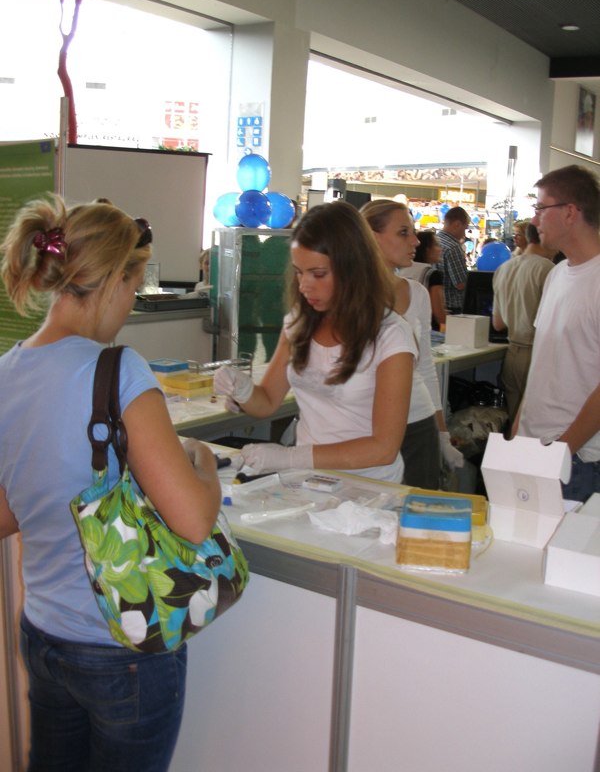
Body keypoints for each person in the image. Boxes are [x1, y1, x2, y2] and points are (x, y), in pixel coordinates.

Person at [0, 195, 221, 772]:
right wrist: (202, 463)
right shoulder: (118, 369)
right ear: (117, 279)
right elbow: (193, 520)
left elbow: (6, 514)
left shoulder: (6, 371)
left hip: (44, 634)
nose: (130, 304)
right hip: (122, 645)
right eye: (134, 286)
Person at [213, 200, 416, 483]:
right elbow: (268, 401)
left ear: (353, 269)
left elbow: (383, 448)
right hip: (310, 482)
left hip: (370, 488)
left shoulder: (391, 336)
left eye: (318, 274)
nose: (304, 285)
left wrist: (290, 457)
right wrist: (242, 390)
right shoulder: (299, 323)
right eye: (299, 272)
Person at [362, 199, 464, 488]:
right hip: (364, 427)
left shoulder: (417, 293)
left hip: (418, 425)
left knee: (418, 508)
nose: (416, 241)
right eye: (403, 232)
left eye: (413, 232)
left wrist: (441, 434)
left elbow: (425, 369)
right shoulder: (345, 297)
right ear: (371, 237)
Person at [515, 165, 600, 502]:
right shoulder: (556, 274)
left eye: (540, 208)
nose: (534, 220)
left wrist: (562, 450)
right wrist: (517, 431)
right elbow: (543, 364)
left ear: (569, 212)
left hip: (577, 460)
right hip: (532, 449)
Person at [492, 221, 555, 425]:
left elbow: (498, 323)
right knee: (537, 427)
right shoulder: (548, 269)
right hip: (537, 355)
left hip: (512, 355)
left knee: (515, 425)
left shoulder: (503, 268)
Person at [435, 206, 470, 314]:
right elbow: (460, 283)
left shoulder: (435, 240)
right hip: (453, 306)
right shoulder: (453, 247)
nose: (464, 234)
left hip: (437, 303)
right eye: (465, 228)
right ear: (457, 225)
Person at [414, 229, 446, 330]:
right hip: (427, 329)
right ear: (427, 249)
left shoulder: (403, 270)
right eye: (436, 245)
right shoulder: (432, 274)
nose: (440, 249)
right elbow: (439, 314)